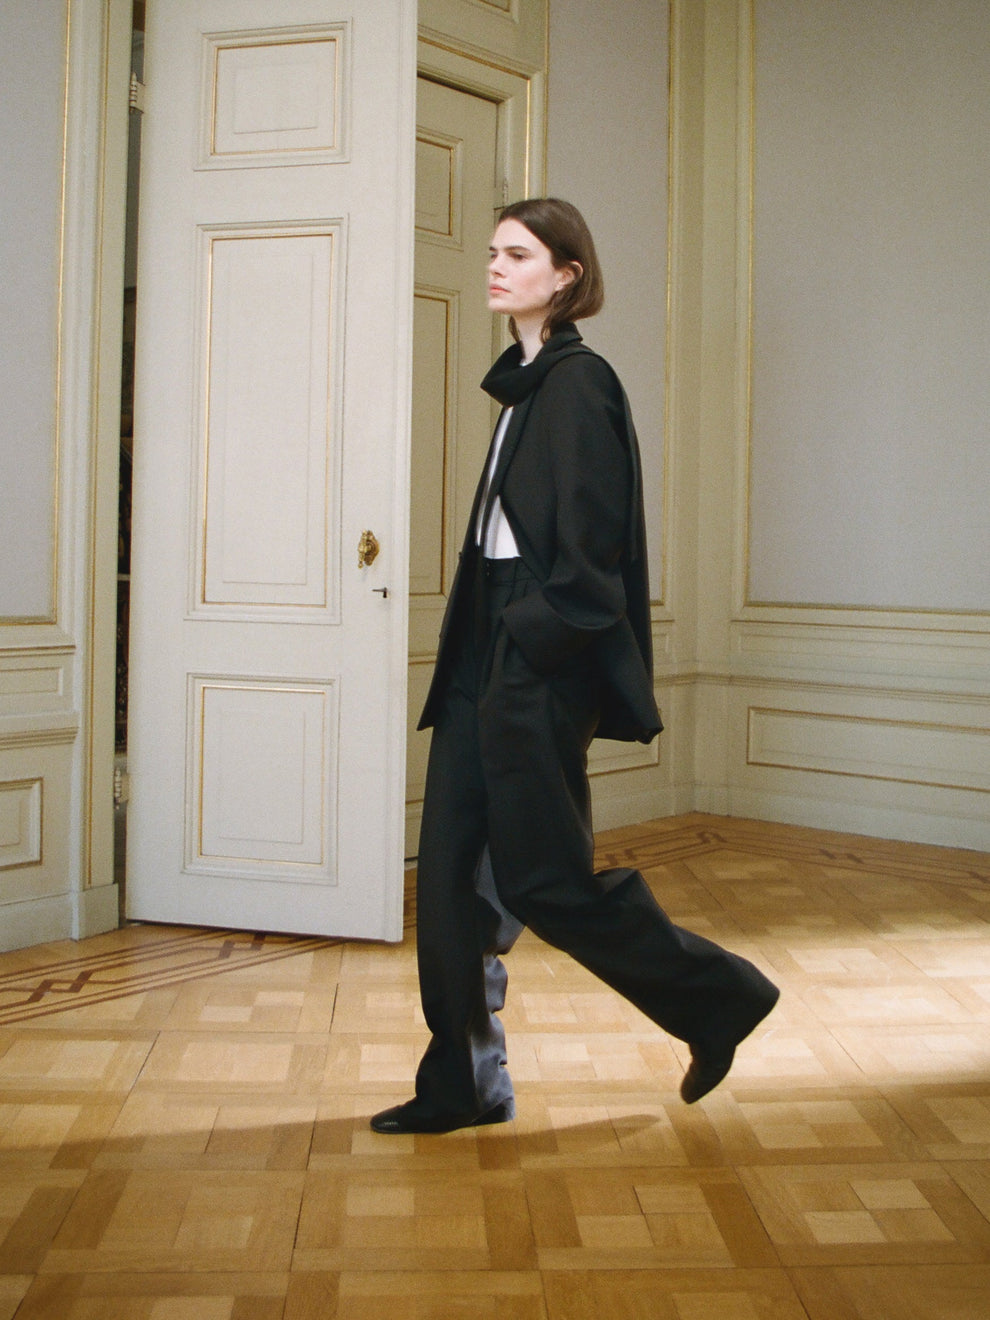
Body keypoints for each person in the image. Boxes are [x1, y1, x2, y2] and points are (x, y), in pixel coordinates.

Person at [371, 198, 778, 1135]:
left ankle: (717, 998)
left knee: (546, 879)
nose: (496, 265)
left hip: (529, 659)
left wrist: (525, 644)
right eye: (492, 252)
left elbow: (591, 565)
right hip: (483, 647)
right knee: (446, 886)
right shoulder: (523, 381)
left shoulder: (579, 384)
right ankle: (462, 1084)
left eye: (519, 254)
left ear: (568, 275)